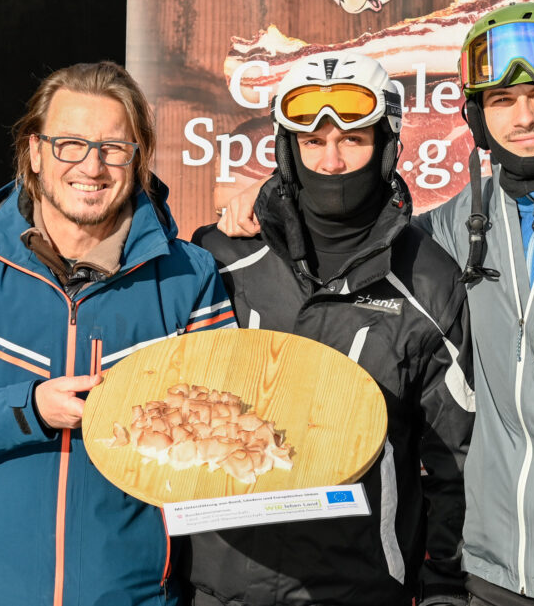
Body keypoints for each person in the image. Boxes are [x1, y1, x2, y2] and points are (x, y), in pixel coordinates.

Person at [218, 3, 534, 605]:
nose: (523, 117)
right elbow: (353, 223)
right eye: (499, 100)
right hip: (494, 574)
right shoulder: (454, 230)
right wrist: (270, 205)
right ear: (476, 117)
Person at [0, 61, 237, 606]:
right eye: (70, 145)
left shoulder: (189, 276)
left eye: (114, 147)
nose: (93, 166)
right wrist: (30, 410)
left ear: (138, 158)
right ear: (35, 152)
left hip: (136, 595)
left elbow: (220, 438)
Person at [189, 50, 475, 606]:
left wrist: (444, 586)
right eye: (313, 141)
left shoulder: (427, 279)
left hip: (359, 584)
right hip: (224, 582)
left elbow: (454, 460)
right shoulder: (223, 255)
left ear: (387, 146)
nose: (333, 161)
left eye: (353, 140)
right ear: (287, 150)